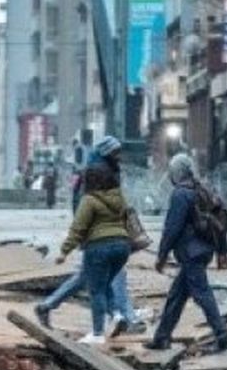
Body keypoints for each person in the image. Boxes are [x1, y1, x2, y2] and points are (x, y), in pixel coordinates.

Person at [37, 136, 146, 335]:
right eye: (114, 152)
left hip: (109, 239)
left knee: (86, 278)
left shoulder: (109, 171)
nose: (118, 156)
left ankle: (47, 306)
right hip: (97, 241)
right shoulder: (93, 174)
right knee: (111, 279)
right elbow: (81, 212)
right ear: (105, 153)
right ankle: (121, 319)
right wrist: (75, 243)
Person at [145, 154, 227, 353]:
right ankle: (161, 337)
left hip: (190, 253)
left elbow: (172, 228)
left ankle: (223, 336)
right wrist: (222, 252)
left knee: (203, 295)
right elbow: (220, 220)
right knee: (176, 296)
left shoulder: (180, 194)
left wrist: (161, 256)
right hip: (202, 251)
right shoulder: (202, 189)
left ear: (176, 173)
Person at [54, 165, 132, 345]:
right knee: (105, 286)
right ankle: (118, 316)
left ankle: (97, 333)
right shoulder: (119, 197)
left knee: (96, 290)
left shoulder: (89, 200)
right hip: (122, 246)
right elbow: (128, 219)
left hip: (99, 248)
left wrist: (64, 252)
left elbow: (78, 228)